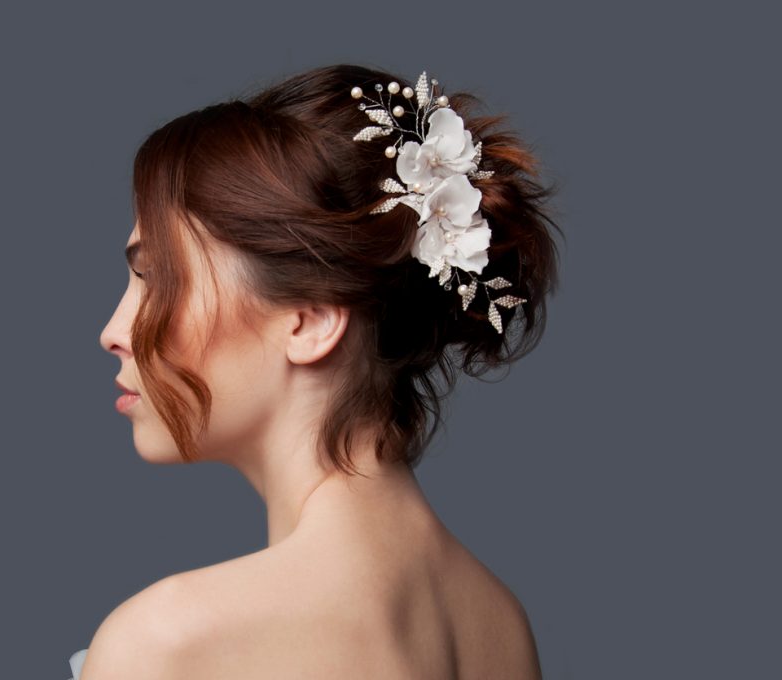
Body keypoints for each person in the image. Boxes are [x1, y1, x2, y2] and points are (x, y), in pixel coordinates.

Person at [78, 63, 561, 679]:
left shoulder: (172, 642)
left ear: (307, 321)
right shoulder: (497, 625)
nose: (115, 332)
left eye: (156, 279)